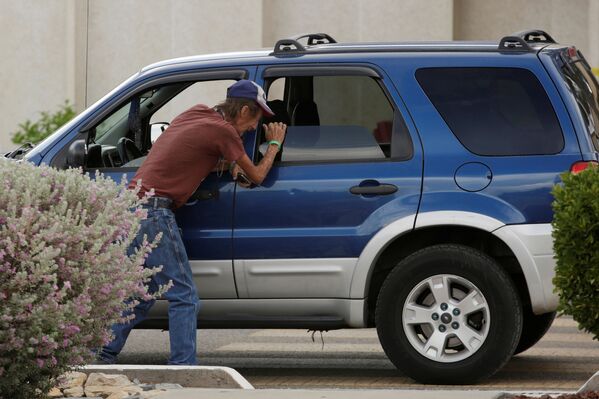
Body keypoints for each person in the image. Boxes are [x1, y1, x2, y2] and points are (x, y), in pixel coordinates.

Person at [97, 80, 286, 365]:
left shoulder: (195, 113)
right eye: (256, 120)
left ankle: (99, 355)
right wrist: (273, 144)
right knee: (183, 295)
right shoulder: (225, 132)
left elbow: (190, 155)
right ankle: (183, 366)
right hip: (154, 211)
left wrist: (228, 164)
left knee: (143, 293)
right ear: (245, 109)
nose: (252, 128)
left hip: (132, 209)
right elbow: (257, 177)